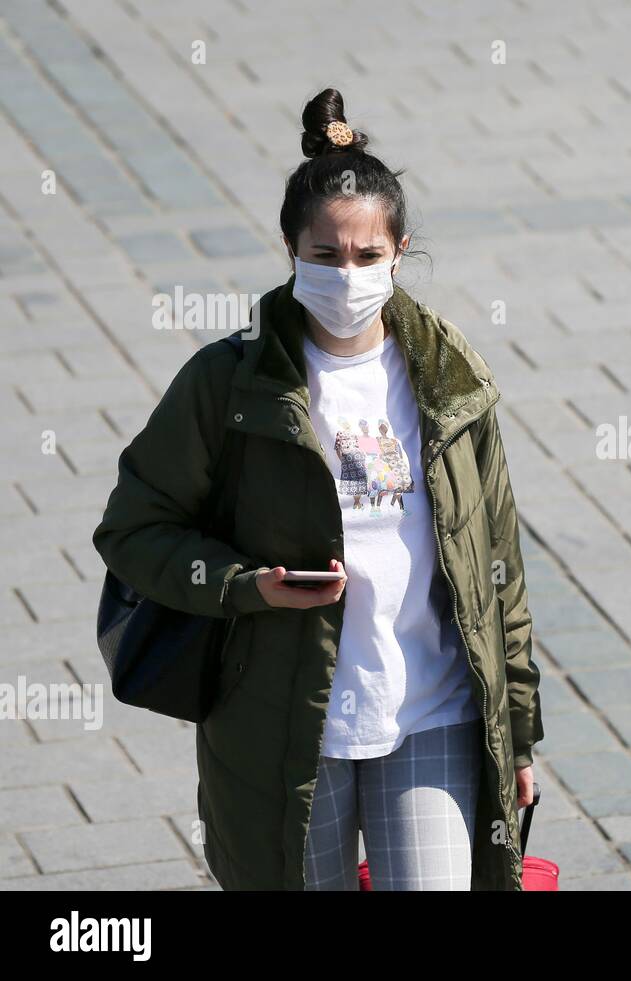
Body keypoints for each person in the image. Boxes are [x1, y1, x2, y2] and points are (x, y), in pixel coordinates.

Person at [93, 88, 542, 891]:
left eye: (367, 257)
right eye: (326, 256)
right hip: (286, 725)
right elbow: (133, 530)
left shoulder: (450, 380)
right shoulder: (226, 383)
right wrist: (246, 585)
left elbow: (498, 564)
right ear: (291, 249)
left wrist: (519, 733)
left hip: (433, 714)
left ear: (399, 249)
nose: (348, 275)